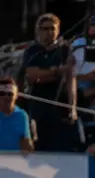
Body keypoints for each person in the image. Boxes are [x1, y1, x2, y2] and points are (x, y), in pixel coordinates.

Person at [17, 14, 76, 153]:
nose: (49, 32)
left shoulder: (65, 50)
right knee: (38, 146)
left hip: (58, 107)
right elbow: (32, 76)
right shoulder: (32, 51)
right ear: (38, 31)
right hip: (36, 106)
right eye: (45, 29)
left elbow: (70, 79)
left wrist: (72, 106)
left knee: (58, 147)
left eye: (52, 29)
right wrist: (57, 71)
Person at [0, 79, 33, 154]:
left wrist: (29, 145)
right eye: (1, 93)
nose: (6, 97)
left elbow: (26, 145)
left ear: (16, 96)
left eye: (10, 94)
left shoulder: (21, 115)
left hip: (15, 162)